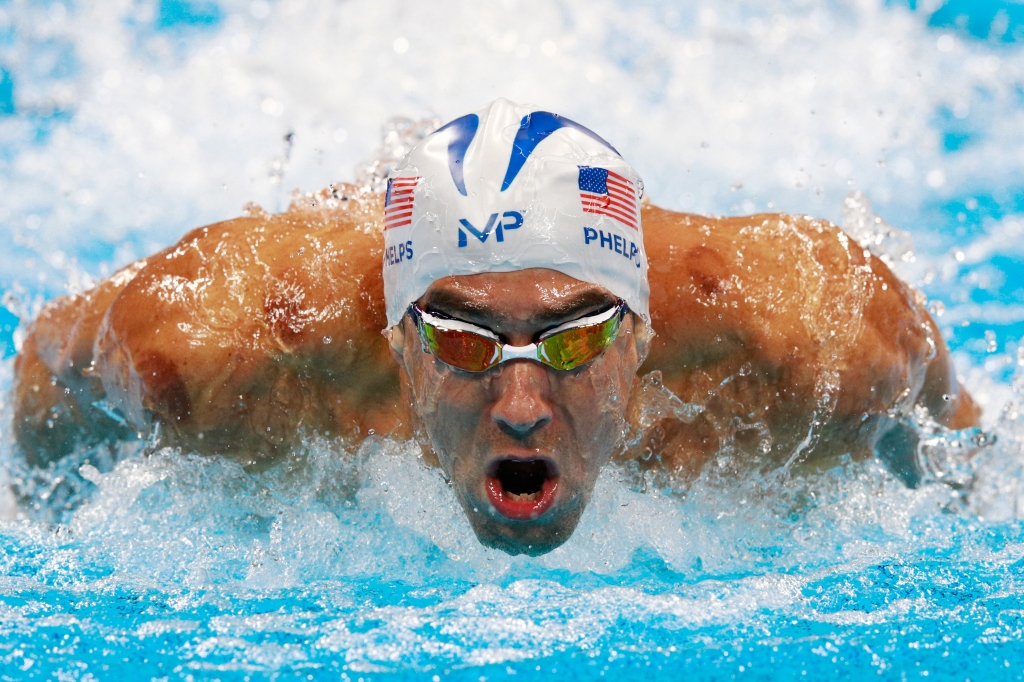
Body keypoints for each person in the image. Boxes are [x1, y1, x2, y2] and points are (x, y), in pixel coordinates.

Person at [13, 99, 979, 555]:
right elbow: (44, 371)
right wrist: (37, 517)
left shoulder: (813, 342)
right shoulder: (214, 353)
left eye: (573, 339)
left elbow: (963, 457)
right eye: (465, 342)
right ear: (395, 344)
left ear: (642, 335)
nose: (521, 406)